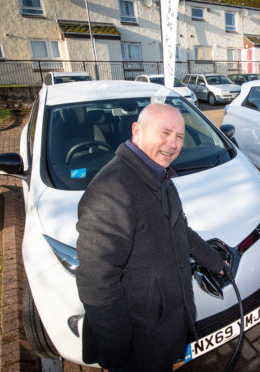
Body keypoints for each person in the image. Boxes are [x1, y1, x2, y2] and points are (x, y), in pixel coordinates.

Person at [75, 103, 225, 371]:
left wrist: (214, 261)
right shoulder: (111, 191)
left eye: (180, 136)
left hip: (164, 330)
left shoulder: (160, 176)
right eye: (165, 133)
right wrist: (118, 353)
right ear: (137, 131)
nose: (173, 144)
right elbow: (97, 282)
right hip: (139, 344)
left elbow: (180, 230)